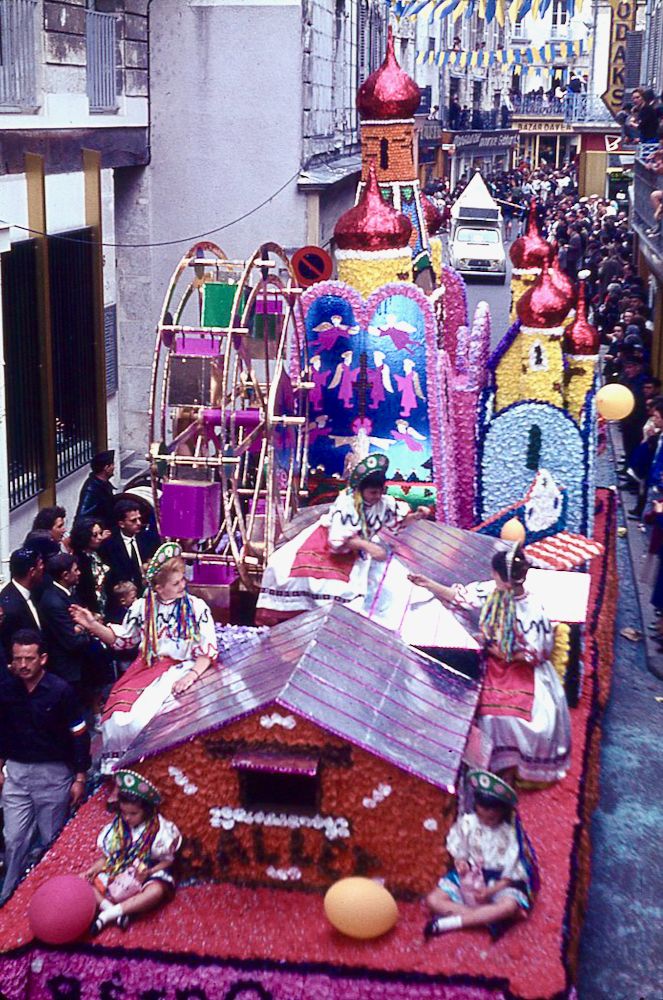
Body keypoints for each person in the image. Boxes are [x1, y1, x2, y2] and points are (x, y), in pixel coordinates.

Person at [409, 544, 571, 784]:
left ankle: (504, 769)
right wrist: (428, 584)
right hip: (493, 658)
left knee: (504, 714)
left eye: (495, 574)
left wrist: (497, 649)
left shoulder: (532, 610)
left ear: (505, 580)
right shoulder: (492, 591)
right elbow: (460, 597)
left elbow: (536, 653)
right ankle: (487, 766)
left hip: (521, 667)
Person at [70, 542, 218, 773]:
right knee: (117, 714)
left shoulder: (196, 608)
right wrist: (92, 625)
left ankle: (155, 769)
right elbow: (123, 640)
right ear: (158, 588)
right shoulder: (142, 607)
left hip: (184, 667)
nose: (183, 586)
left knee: (151, 717)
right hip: (148, 667)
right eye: (176, 583)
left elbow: (206, 651)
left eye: (183, 581)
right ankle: (124, 771)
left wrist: (191, 675)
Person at [255, 454, 427, 626]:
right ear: (361, 490)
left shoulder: (385, 503)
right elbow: (337, 539)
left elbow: (397, 524)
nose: (377, 496)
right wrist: (368, 547)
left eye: (380, 491)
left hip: (361, 547)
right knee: (315, 579)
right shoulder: (347, 504)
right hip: (329, 544)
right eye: (373, 492)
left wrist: (416, 516)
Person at [0, 629, 90, 904]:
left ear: (43, 659)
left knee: (51, 838)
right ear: (12, 661)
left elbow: (79, 735)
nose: (23, 665)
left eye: (29, 658)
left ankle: (49, 895)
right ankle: (9, 893)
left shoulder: (61, 691)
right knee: (14, 838)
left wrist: (80, 777)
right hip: (16, 773)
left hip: (53, 775)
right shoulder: (6, 690)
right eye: (18, 659)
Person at [424, 769, 538, 938]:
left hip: (498, 882)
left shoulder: (509, 833)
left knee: (508, 906)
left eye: (493, 812)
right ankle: (487, 917)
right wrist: (461, 862)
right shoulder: (467, 823)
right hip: (469, 878)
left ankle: (450, 923)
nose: (487, 816)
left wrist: (491, 891)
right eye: (482, 810)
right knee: (433, 900)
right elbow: (460, 849)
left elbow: (512, 872)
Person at [84, 769, 181, 935]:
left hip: (147, 872)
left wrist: (149, 871)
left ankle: (107, 915)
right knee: (84, 882)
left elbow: (168, 861)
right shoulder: (116, 828)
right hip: (117, 870)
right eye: (124, 813)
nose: (127, 818)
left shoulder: (160, 830)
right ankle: (116, 911)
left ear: (147, 810)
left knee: (156, 891)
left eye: (133, 814)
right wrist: (93, 870)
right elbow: (107, 858)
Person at [38, 554, 98, 701]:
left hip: (79, 667)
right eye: (75, 570)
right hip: (67, 670)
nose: (79, 573)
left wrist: (81, 627)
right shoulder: (54, 602)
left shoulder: (68, 593)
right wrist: (88, 627)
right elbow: (73, 641)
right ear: (65, 575)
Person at [101, 499, 158, 619]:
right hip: (120, 605)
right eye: (133, 520)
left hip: (146, 599)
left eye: (139, 519)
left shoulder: (148, 540)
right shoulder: (109, 545)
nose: (138, 523)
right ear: (121, 523)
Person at [0, 548, 44, 665]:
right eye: (40, 564)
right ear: (32, 572)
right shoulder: (10, 607)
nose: (43, 568)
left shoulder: (34, 592)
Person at [69, 518, 110, 616]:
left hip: (105, 603)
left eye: (100, 533)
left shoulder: (97, 553)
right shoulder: (79, 560)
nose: (100, 538)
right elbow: (84, 591)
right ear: (85, 537)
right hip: (92, 610)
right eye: (95, 535)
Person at [74, 450, 116, 529]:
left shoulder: (104, 485)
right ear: (106, 468)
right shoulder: (91, 490)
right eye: (112, 465)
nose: (114, 467)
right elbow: (82, 517)